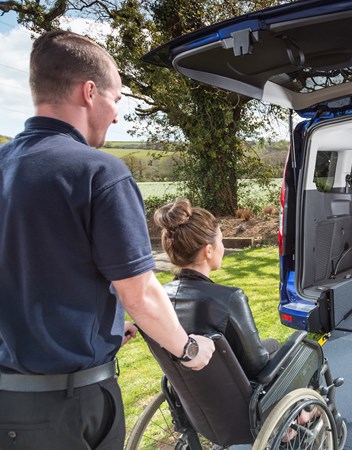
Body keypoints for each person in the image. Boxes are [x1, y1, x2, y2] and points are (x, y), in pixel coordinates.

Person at [0, 30, 214, 450]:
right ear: (90, 92)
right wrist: (188, 349)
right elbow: (140, 292)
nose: (117, 115)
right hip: (70, 406)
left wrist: (105, 326)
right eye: (117, 100)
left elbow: (34, 268)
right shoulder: (99, 172)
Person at [154, 198, 281, 378]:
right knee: (292, 348)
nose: (222, 247)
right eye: (220, 241)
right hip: (242, 397)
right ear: (208, 251)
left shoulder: (159, 299)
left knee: (272, 344)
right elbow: (257, 365)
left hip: (192, 398)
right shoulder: (229, 298)